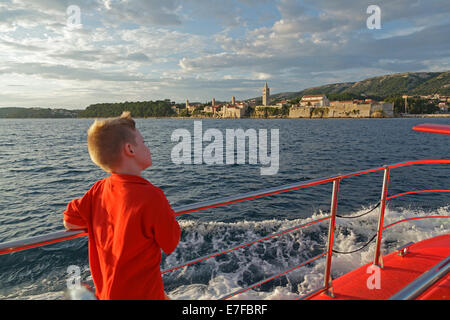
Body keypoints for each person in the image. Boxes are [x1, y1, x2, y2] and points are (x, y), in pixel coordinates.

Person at [63, 111, 180, 300]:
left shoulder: (98, 190)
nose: (148, 147)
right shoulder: (152, 197)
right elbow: (170, 243)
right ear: (130, 149)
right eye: (144, 143)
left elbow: (70, 221)